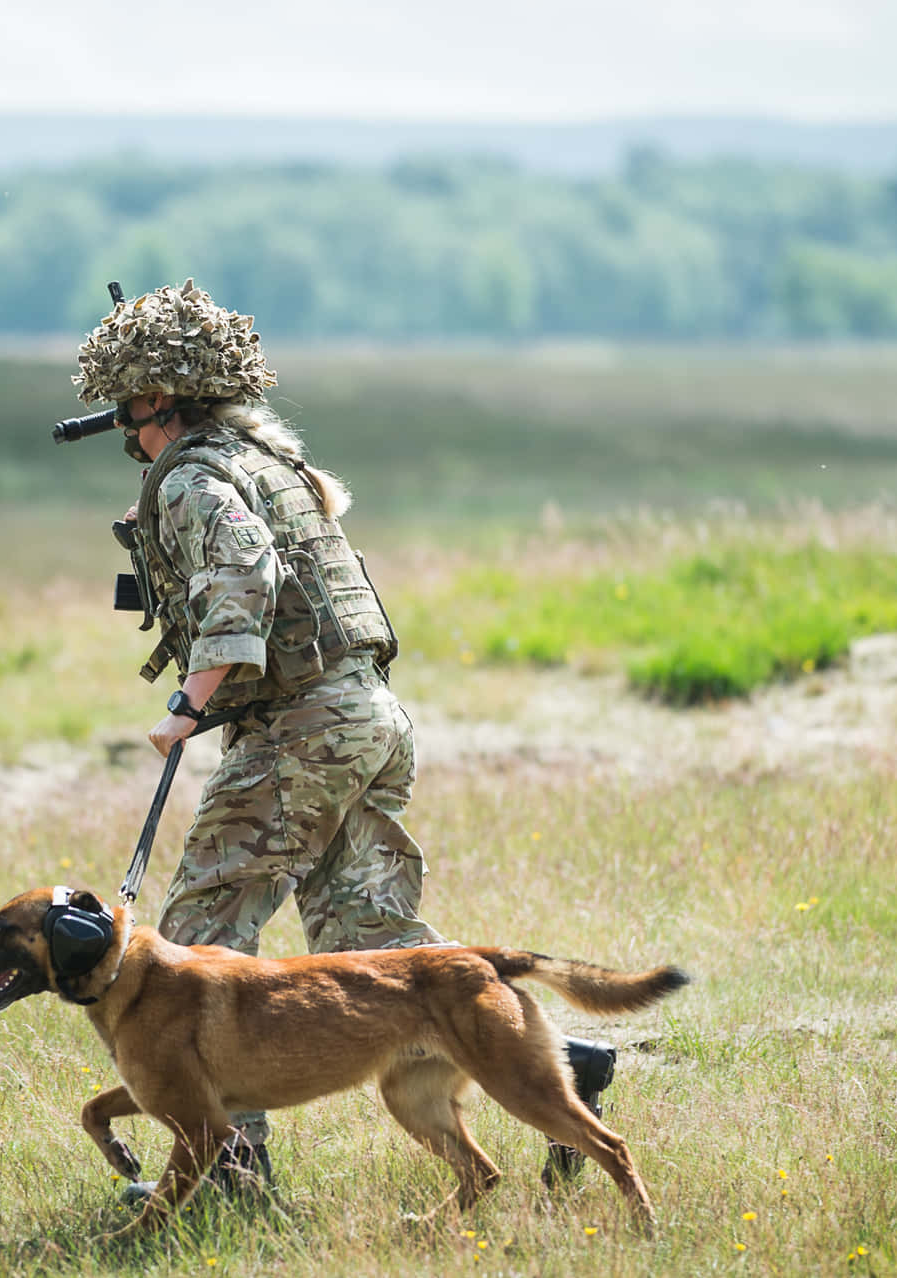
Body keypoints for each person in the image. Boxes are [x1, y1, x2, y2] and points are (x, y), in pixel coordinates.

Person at [71, 279, 614, 1197]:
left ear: (155, 399)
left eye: (126, 407)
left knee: (198, 939)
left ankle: (230, 1176)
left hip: (304, 726)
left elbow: (243, 573)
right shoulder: (263, 460)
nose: (125, 427)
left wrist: (187, 704)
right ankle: (571, 1058)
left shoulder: (199, 477)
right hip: (365, 713)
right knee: (373, 939)